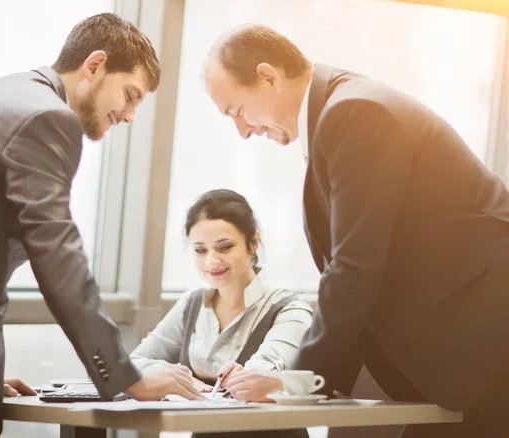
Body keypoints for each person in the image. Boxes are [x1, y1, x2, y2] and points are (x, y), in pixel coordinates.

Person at [202, 24, 509, 437]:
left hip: (487, 348)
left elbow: (354, 267)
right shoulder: (340, 113)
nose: (242, 130)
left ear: (268, 77)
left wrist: (295, 382)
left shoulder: (356, 112)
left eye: (237, 110)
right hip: (461, 357)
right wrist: (308, 383)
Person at [0, 13, 201, 438]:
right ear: (95, 65)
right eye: (130, 95)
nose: (131, 115)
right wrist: (127, 378)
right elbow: (57, 253)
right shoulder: (47, 117)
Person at [131, 189, 313, 438]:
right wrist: (175, 376)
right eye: (200, 250)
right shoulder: (191, 304)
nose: (211, 262)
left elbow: (263, 370)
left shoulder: (289, 309)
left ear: (253, 243)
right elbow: (133, 363)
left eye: (225, 247)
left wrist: (243, 378)